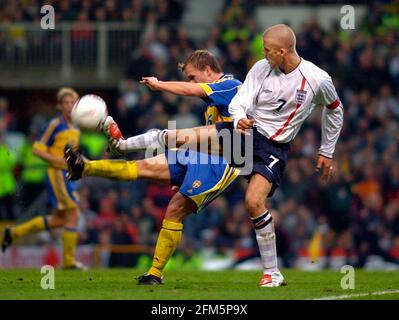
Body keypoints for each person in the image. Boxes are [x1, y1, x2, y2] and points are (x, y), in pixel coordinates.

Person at [105, 24, 344, 287]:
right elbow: (240, 102)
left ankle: (272, 273)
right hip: (242, 135)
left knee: (253, 202)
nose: (263, 55)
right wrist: (240, 118)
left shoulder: (317, 79)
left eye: (267, 51)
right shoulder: (261, 69)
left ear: (282, 51)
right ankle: (122, 145)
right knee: (176, 136)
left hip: (272, 149)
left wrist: (326, 151)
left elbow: (335, 110)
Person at [66, 50, 243, 285]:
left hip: (223, 161)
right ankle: (85, 167)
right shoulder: (218, 96)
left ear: (208, 70)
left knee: (175, 208)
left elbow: (194, 91)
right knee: (144, 166)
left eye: (192, 76)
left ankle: (155, 273)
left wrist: (160, 85)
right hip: (201, 153)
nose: (191, 82)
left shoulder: (230, 85)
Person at [1, 88, 87, 270]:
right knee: (74, 215)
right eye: (67, 102)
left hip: (68, 177)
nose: (71, 106)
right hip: (56, 175)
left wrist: (83, 163)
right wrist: (59, 161)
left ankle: (13, 233)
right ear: (60, 106)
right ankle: (69, 262)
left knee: (58, 221)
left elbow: (74, 154)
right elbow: (36, 149)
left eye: (74, 102)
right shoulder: (55, 125)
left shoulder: (76, 129)